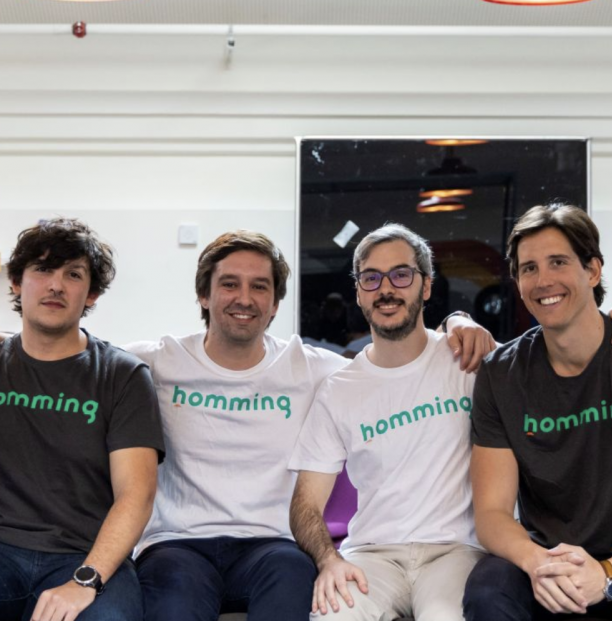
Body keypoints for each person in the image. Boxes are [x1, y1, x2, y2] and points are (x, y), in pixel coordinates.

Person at [129, 229, 493, 621]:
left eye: (259, 286)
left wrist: (458, 321)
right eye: (229, 284)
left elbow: (395, 363)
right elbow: (88, 357)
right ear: (204, 294)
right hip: (178, 543)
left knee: (292, 589)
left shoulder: (315, 369)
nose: (244, 298)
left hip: (272, 546)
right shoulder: (155, 362)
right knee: (173, 607)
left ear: (275, 303)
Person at [288, 223, 486, 621]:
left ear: (426, 286)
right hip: (371, 555)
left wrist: (459, 319)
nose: (386, 289)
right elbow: (305, 504)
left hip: (455, 551)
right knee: (330, 617)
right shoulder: (339, 389)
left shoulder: (467, 361)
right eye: (371, 278)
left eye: (401, 275)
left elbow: (543, 356)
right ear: (358, 292)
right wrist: (328, 560)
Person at [0, 218, 165, 621]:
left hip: (86, 555)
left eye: (73, 274)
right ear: (17, 283)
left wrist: (84, 581)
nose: (56, 285)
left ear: (91, 294)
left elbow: (136, 495)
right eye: (43, 269)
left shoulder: (122, 375)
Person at [463, 203, 612, 621]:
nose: (543, 280)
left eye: (558, 262)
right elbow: (492, 513)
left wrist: (609, 574)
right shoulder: (501, 374)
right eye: (529, 268)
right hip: (548, 561)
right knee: (488, 590)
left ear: (592, 271)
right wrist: (538, 564)